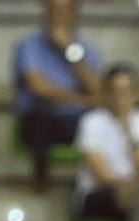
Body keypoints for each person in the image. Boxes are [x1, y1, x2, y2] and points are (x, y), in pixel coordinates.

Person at [13, 0, 102, 191]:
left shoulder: (86, 50)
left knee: (100, 122)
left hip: (77, 120)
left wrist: (69, 50)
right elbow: (40, 89)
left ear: (74, 14)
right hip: (42, 120)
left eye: (63, 11)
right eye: (53, 10)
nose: (58, 17)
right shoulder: (30, 47)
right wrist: (83, 100)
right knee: (41, 114)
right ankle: (40, 180)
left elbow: (97, 90)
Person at [75, 62, 139, 221]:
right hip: (96, 196)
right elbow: (101, 175)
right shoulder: (92, 122)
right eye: (115, 91)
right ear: (106, 93)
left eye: (126, 91)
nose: (121, 97)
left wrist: (129, 132)